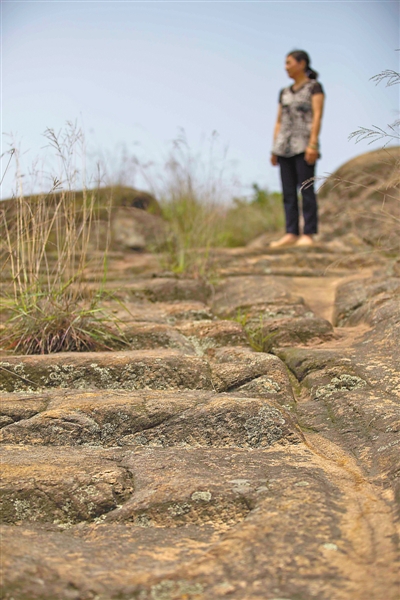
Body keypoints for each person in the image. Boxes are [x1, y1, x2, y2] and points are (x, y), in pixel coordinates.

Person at [270, 50, 325, 247]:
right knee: (288, 192)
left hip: (304, 144)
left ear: (302, 64)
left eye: (289, 63)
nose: (286, 67)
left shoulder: (314, 88)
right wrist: (274, 147)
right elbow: (279, 121)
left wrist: (313, 143)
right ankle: (291, 232)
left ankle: (308, 233)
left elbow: (317, 116)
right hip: (284, 146)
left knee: (307, 189)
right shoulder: (284, 92)